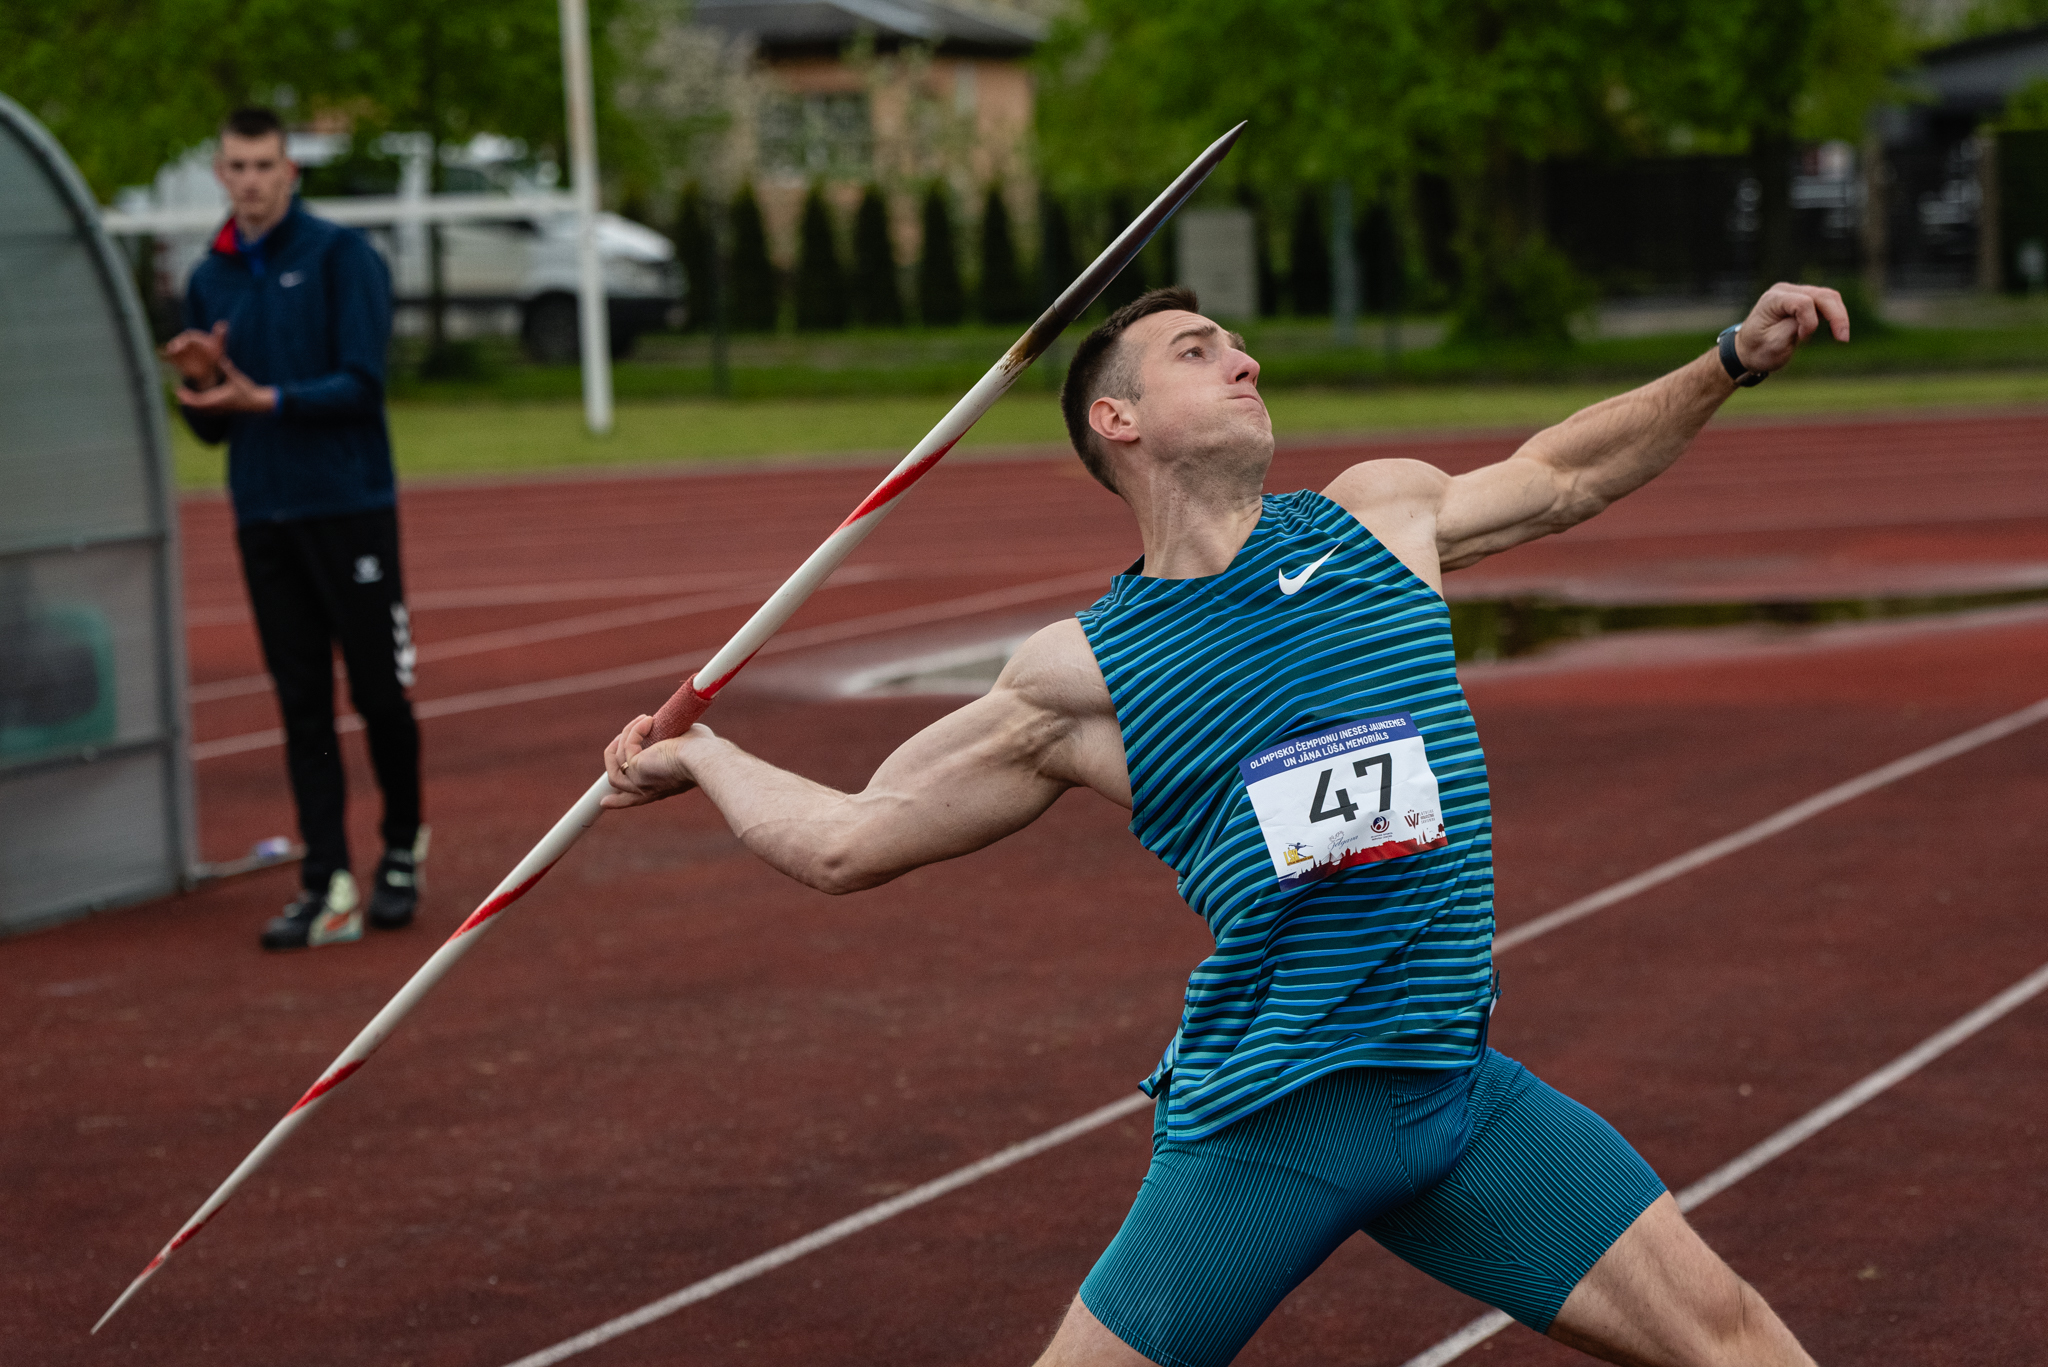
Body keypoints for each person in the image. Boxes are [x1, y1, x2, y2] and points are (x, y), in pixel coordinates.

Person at [600, 282, 1847, 1366]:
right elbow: (848, 837)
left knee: (1729, 1331)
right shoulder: (1081, 674)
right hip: (1272, 1115)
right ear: (1118, 420)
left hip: (1450, 1084)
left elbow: (1566, 473)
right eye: (1197, 351)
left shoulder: (1374, 521)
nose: (1243, 359)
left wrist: (1726, 359)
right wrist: (705, 754)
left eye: (1236, 343)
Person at [164, 106, 427, 951]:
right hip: (264, 516)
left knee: (378, 692)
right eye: (236, 166)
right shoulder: (208, 278)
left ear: (290, 172)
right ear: (221, 174)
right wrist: (199, 387)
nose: (249, 180)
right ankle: (327, 880)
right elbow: (212, 427)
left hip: (349, 509)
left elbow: (362, 384)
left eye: (263, 165)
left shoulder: (343, 257)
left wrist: (267, 398)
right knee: (302, 703)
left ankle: (401, 847)